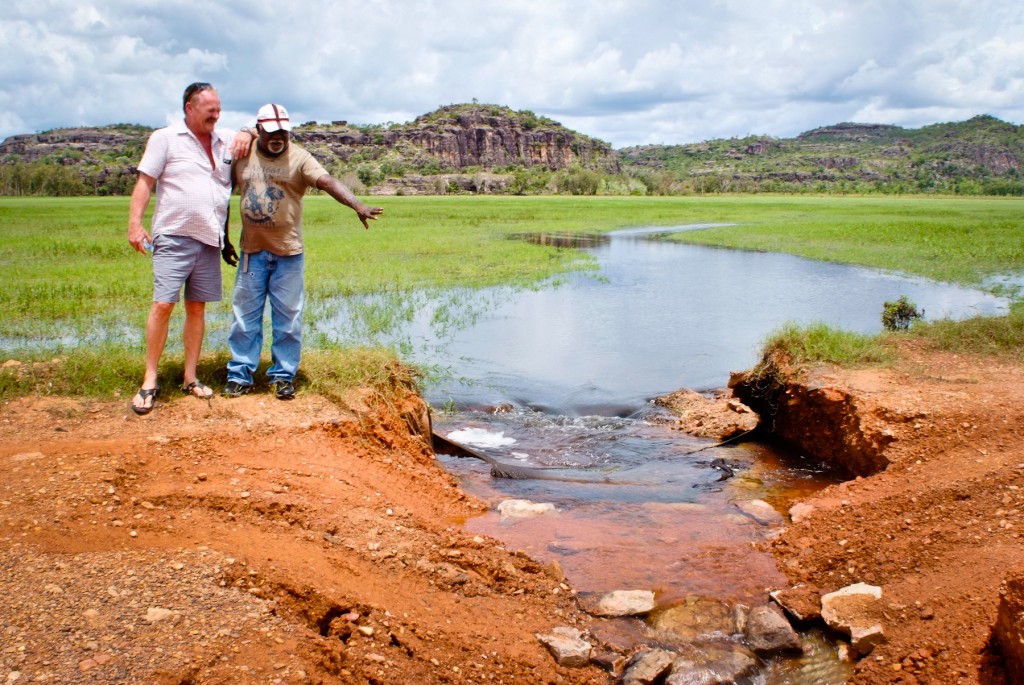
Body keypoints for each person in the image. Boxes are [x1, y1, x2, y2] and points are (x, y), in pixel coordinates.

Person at [222, 103, 383, 400]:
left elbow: (327, 182)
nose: (278, 137)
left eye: (283, 131)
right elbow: (220, 196)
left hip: (288, 253)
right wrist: (224, 237)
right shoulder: (241, 155)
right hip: (252, 251)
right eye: (271, 132)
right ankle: (240, 374)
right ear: (258, 129)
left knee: (288, 318)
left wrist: (357, 206)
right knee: (245, 317)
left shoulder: (299, 157)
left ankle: (283, 375)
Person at [127, 82, 250, 415]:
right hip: (173, 235)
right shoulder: (165, 138)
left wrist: (247, 130)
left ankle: (190, 377)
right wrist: (135, 225)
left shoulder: (225, 140)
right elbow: (145, 182)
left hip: (209, 239)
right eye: (210, 109)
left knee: (197, 308)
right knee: (163, 304)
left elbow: (253, 134)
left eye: (219, 110)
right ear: (189, 108)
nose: (216, 114)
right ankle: (150, 380)